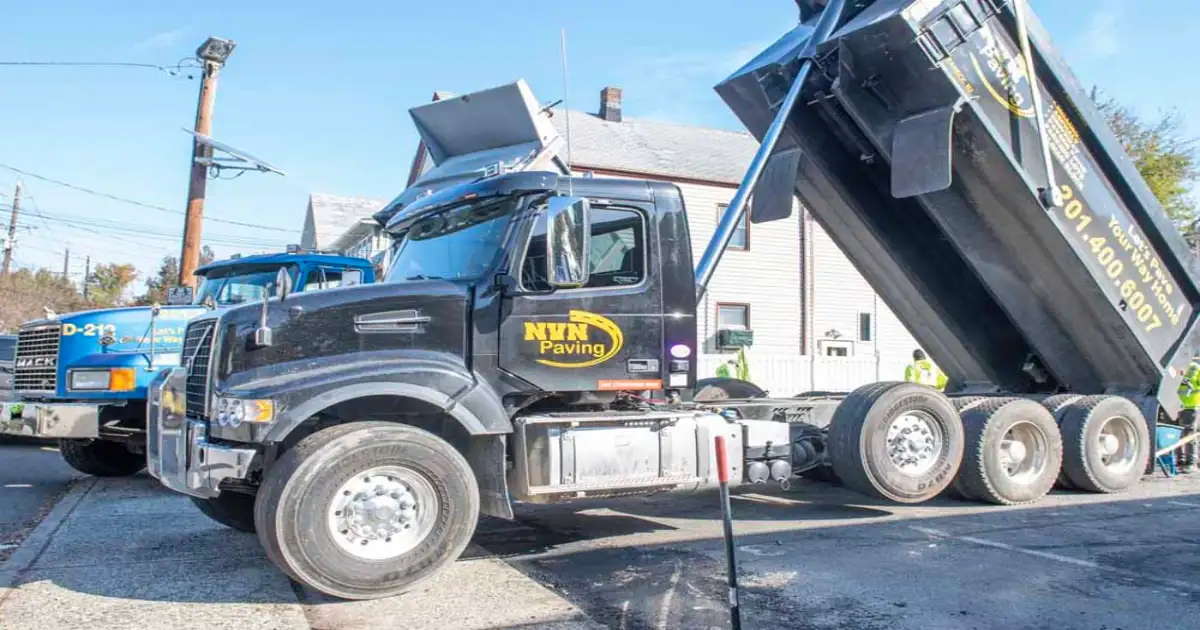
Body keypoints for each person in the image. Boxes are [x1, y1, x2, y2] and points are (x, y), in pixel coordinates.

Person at [1176, 358, 1200, 473]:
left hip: (1177, 406)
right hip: (1191, 405)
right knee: (1190, 434)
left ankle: (1182, 461)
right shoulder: (1195, 369)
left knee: (1180, 434)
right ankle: (1190, 462)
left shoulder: (1176, 367)